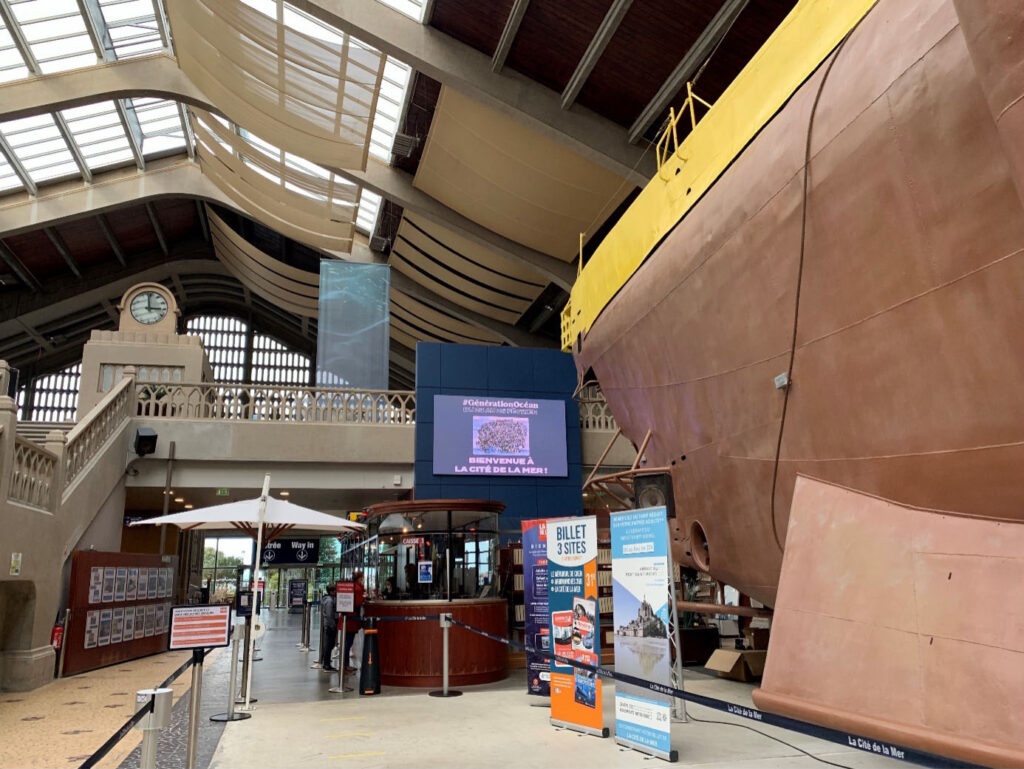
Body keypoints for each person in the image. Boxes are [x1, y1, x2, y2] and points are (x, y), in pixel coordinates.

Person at [339, 571, 364, 673]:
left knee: (346, 643)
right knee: (347, 644)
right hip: (351, 620)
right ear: (361, 578)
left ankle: (345, 665)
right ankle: (344, 666)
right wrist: (364, 598)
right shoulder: (357, 589)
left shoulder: (351, 587)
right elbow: (358, 603)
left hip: (347, 619)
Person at [320, 583, 338, 671]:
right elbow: (329, 614)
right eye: (335, 590)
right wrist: (333, 625)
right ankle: (326, 663)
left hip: (329, 624)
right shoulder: (329, 601)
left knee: (328, 644)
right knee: (328, 644)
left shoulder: (329, 599)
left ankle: (326, 661)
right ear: (331, 591)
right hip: (330, 625)